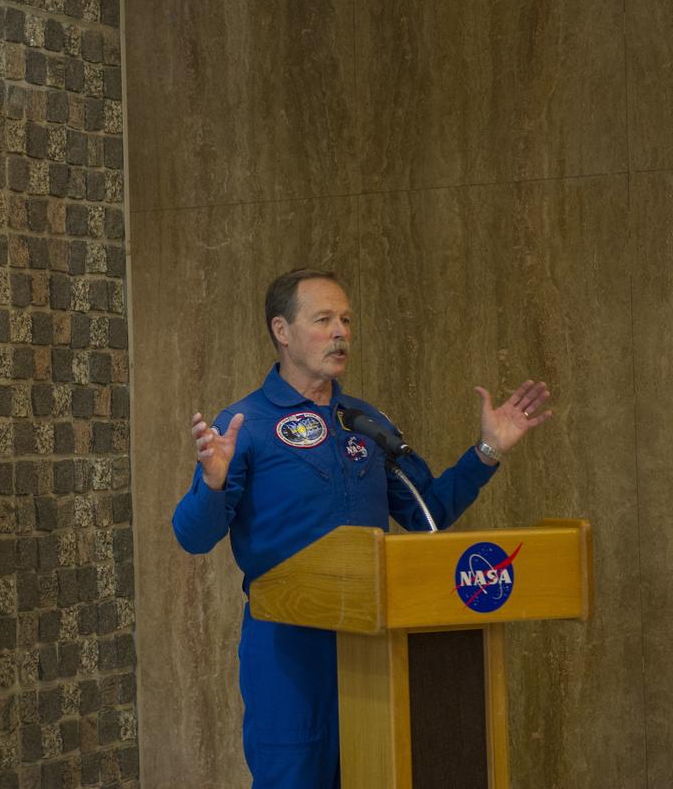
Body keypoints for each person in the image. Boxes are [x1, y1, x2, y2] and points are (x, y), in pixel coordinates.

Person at [172, 268, 553, 786]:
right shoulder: (245, 424)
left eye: (346, 320)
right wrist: (213, 482)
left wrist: (486, 451)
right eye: (324, 320)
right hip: (290, 649)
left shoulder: (364, 421)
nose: (341, 332)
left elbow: (427, 513)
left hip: (373, 645)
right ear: (282, 330)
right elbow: (193, 537)